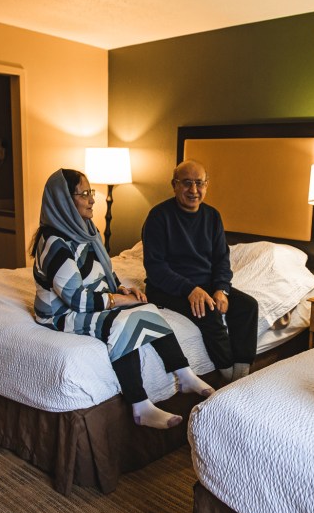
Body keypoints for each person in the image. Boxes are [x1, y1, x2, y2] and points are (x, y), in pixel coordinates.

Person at [31, 168, 214, 430]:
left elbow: (103, 271)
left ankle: (184, 374)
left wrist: (121, 290)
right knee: (122, 322)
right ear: (63, 200)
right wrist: (117, 302)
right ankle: (139, 405)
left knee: (147, 307)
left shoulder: (85, 229)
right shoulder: (54, 242)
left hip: (88, 300)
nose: (92, 199)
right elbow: (76, 300)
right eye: (84, 194)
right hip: (59, 314)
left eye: (90, 192)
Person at [142, 160, 259, 382]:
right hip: (166, 287)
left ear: (207, 185)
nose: (194, 190)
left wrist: (222, 289)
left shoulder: (212, 216)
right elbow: (155, 267)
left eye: (199, 183)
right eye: (187, 183)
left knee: (248, 306)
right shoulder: (159, 216)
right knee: (208, 312)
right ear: (174, 185)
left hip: (206, 284)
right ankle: (227, 376)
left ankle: (241, 375)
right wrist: (189, 289)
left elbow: (221, 259)